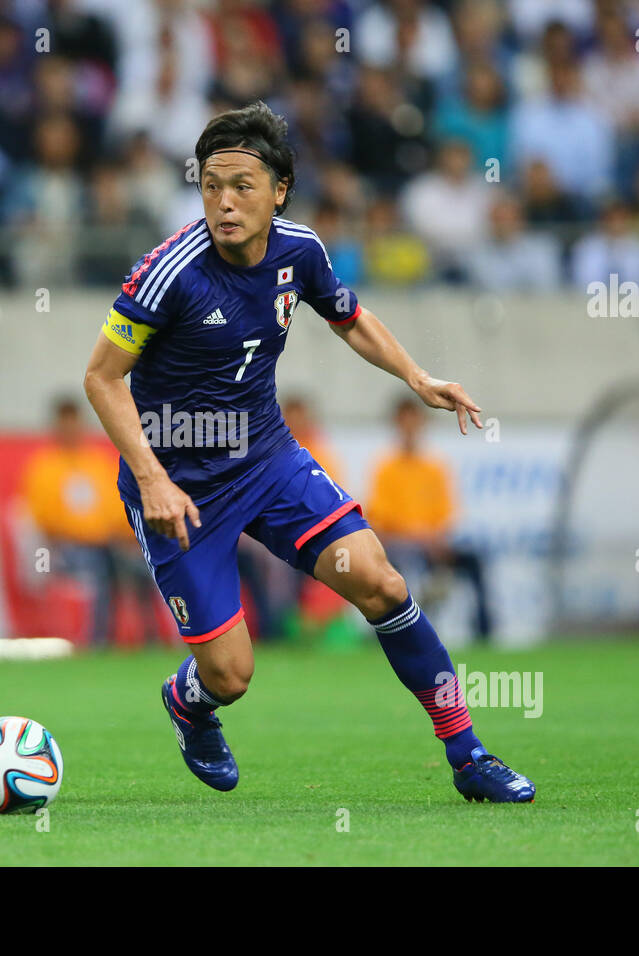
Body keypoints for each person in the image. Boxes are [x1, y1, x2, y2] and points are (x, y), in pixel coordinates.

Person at [82, 101, 533, 802]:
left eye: (241, 186)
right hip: (178, 485)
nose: (224, 203)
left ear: (280, 189)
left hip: (267, 461)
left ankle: (469, 755)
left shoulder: (302, 250)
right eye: (210, 186)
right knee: (231, 674)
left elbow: (348, 316)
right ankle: (188, 701)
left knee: (381, 582)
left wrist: (416, 377)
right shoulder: (170, 270)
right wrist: (151, 479)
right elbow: (101, 377)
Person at [365, 398, 494, 642]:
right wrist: (421, 538)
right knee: (405, 559)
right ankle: (398, 631)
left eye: (414, 421)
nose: (410, 428)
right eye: (405, 422)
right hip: (400, 545)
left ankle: (484, 632)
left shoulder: (436, 468)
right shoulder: (385, 468)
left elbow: (446, 515)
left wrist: (434, 540)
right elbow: (382, 522)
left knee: (473, 560)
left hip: (433, 545)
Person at [21, 397, 129, 646]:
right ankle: (96, 640)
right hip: (63, 547)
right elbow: (40, 518)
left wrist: (122, 536)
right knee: (94, 567)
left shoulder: (97, 462)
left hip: (106, 543)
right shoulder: (43, 466)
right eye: (65, 425)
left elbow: (116, 507)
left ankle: (148, 639)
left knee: (135, 565)